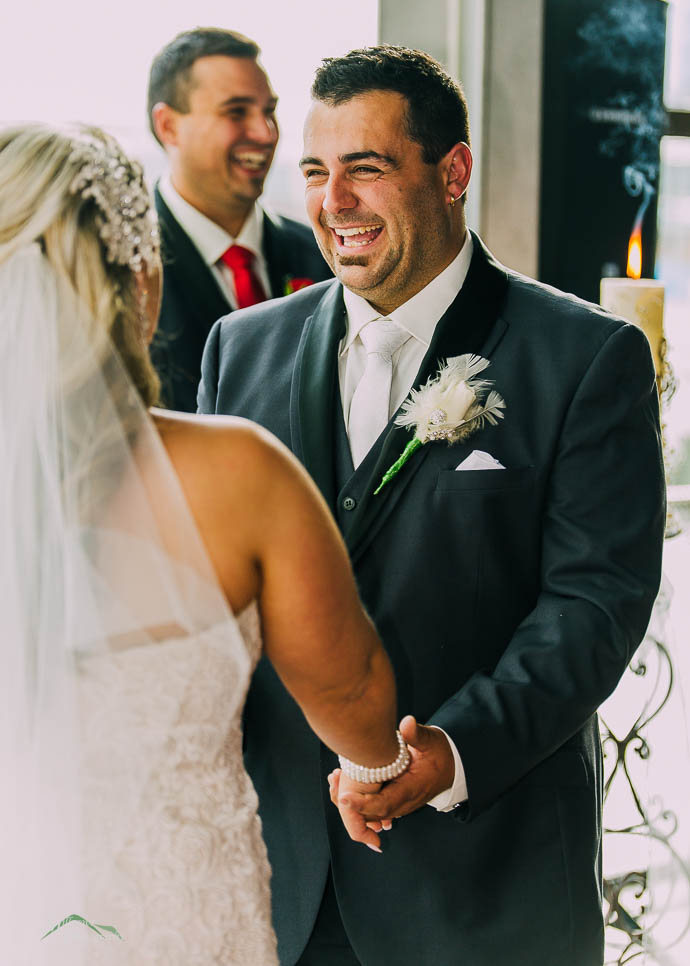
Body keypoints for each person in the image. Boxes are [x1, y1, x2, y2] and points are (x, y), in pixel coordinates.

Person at [198, 45, 666, 966]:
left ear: (452, 173)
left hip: (486, 883)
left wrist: (451, 752)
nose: (334, 203)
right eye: (317, 173)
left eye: (366, 169)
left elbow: (593, 605)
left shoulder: (583, 358)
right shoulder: (238, 349)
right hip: (283, 881)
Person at [0, 122, 404, 966]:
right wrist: (375, 770)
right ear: (142, 276)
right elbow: (357, 694)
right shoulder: (239, 473)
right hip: (181, 923)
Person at [147, 27, 332, 412]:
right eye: (236, 112)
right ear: (168, 126)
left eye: (269, 112)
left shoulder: (325, 253)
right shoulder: (122, 268)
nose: (265, 134)